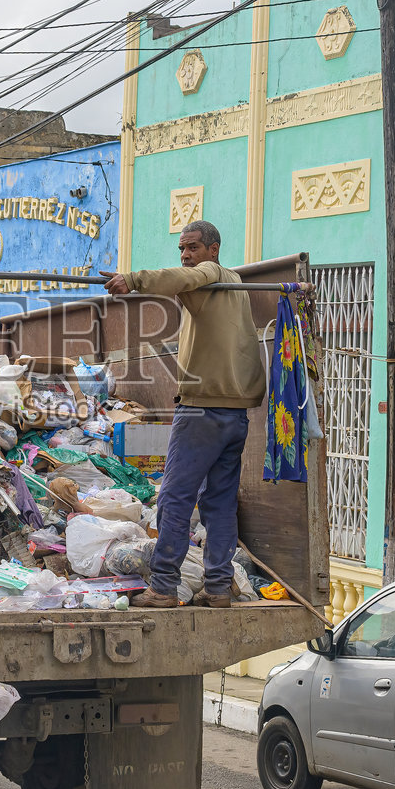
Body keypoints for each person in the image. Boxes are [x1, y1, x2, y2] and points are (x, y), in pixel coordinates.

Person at [102, 220, 265, 609]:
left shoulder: (208, 274)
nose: (186, 256)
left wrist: (132, 280)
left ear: (213, 249)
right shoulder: (234, 282)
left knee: (175, 497)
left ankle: (163, 587)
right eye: (182, 249)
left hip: (201, 410)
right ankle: (219, 587)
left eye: (192, 247)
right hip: (235, 414)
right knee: (219, 504)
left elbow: (183, 277)